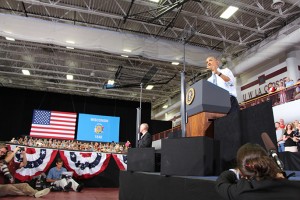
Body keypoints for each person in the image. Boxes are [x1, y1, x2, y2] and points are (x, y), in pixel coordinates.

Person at [216, 143, 300, 200]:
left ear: (242, 171)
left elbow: (221, 183)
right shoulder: (295, 188)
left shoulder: (240, 191)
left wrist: (234, 172)